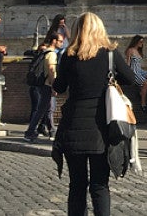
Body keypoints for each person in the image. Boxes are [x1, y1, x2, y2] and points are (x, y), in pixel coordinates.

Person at [53, 12, 138, 216]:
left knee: (77, 185)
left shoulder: (69, 55)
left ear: (76, 30)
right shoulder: (110, 54)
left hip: (74, 126)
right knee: (100, 185)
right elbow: (131, 78)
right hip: (102, 129)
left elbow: (59, 86)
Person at [24, 31, 64, 142]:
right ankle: (30, 132)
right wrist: (53, 86)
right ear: (54, 41)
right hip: (47, 85)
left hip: (43, 84)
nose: (62, 43)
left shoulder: (45, 52)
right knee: (43, 109)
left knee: (48, 109)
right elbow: (51, 70)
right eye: (60, 41)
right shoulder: (51, 54)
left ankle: (51, 130)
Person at [123, 35, 147, 110]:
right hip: (134, 71)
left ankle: (142, 91)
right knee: (145, 83)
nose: (142, 43)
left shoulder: (139, 51)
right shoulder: (130, 50)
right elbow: (128, 62)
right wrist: (127, 73)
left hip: (140, 70)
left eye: (142, 41)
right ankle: (143, 104)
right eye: (140, 41)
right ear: (136, 41)